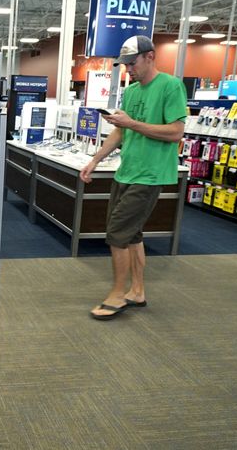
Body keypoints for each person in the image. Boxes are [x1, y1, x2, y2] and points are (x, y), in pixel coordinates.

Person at [79, 36, 187, 320]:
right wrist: (95, 160)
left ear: (150, 56)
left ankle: (117, 294)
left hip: (150, 174)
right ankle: (137, 291)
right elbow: (121, 133)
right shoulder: (133, 91)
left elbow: (176, 132)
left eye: (132, 62)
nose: (128, 69)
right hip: (126, 171)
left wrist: (131, 123)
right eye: (125, 64)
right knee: (132, 233)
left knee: (117, 234)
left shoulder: (171, 86)